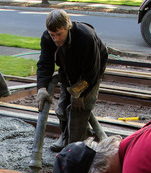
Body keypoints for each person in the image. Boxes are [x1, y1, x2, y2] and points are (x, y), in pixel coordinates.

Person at [36, 9, 107, 152]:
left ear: (68, 27)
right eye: (52, 35)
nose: (55, 39)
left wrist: (79, 95)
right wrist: (42, 88)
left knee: (78, 110)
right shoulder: (48, 38)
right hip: (68, 70)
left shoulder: (86, 37)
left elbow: (90, 73)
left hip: (91, 72)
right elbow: (45, 63)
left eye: (59, 34)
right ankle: (65, 136)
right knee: (62, 109)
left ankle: (75, 147)